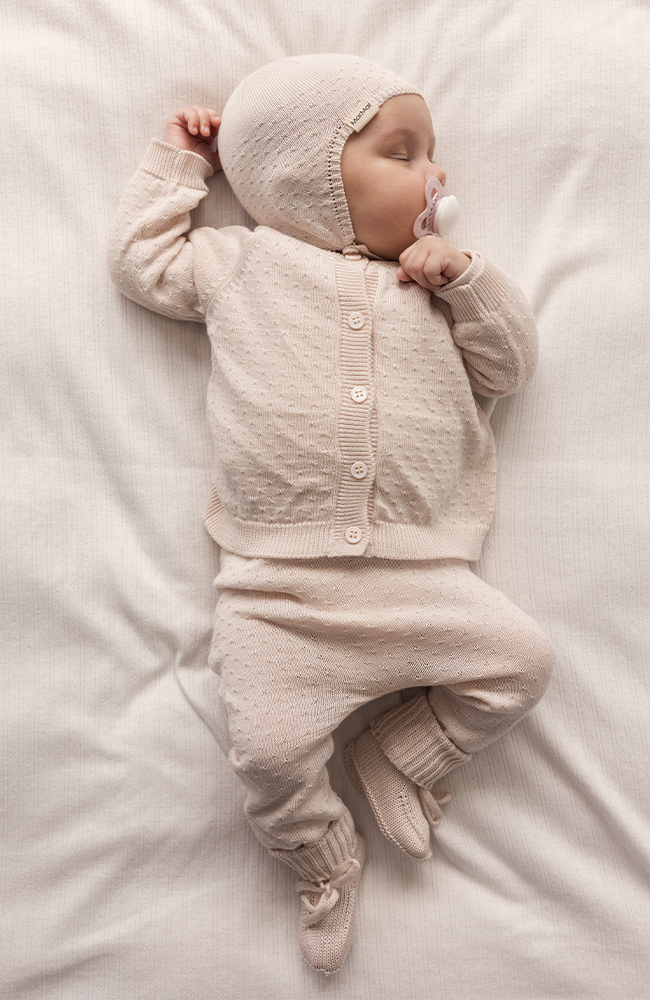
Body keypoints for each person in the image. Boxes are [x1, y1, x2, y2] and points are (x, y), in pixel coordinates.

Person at [108, 53, 555, 976]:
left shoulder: (435, 287)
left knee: (521, 664)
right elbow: (140, 263)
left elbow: (509, 369)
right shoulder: (241, 261)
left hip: (420, 577)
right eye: (403, 152)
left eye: (431, 153)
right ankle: (322, 856)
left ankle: (401, 753)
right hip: (278, 591)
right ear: (305, 172)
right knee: (268, 757)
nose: (436, 174)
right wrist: (182, 165)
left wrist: (467, 280)